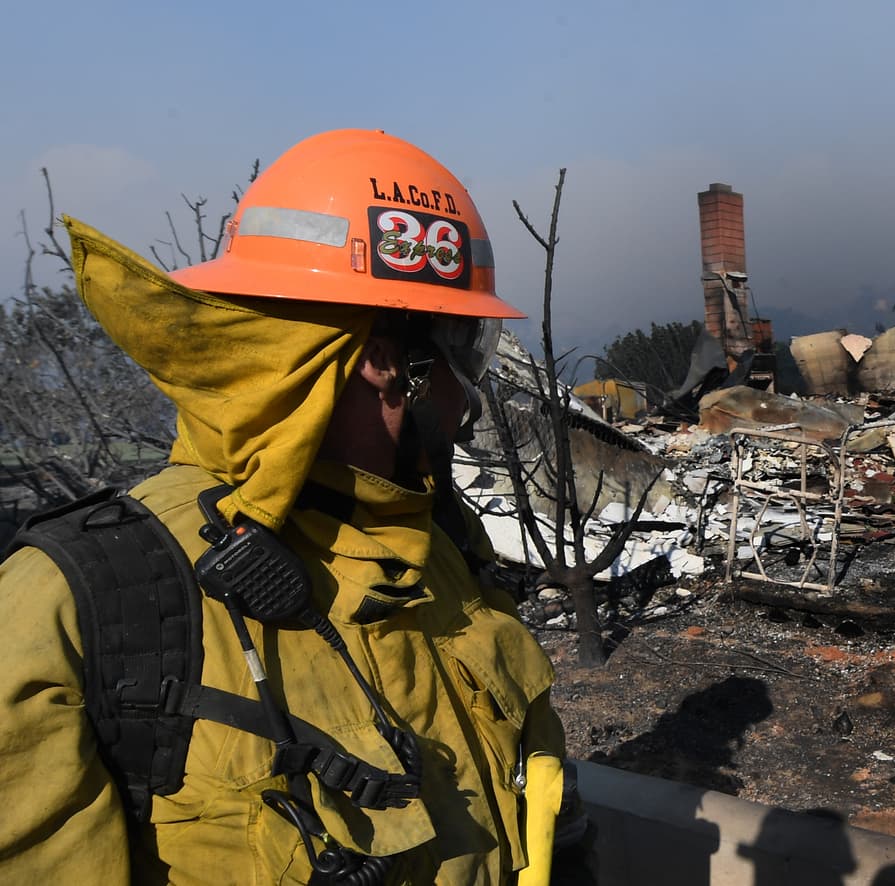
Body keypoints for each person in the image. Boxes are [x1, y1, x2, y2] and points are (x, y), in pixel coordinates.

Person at [0, 129, 574, 884]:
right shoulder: (84, 605)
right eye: (467, 352)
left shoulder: (435, 547)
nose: (468, 399)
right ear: (383, 361)